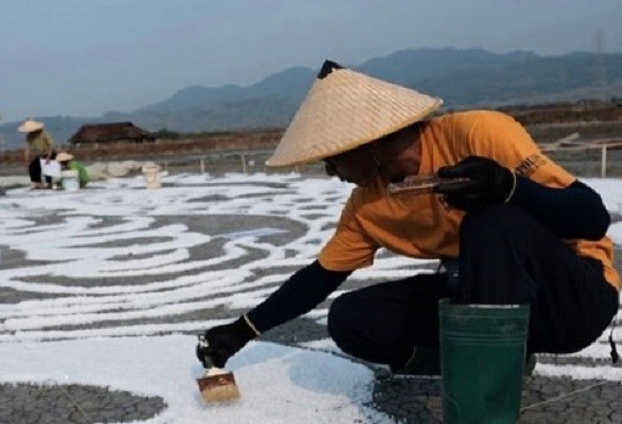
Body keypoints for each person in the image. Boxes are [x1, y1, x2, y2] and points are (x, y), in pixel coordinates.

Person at [196, 60, 619, 378]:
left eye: (332, 159)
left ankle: (487, 388)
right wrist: (242, 330)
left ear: (365, 142)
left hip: (570, 300)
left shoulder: (476, 133)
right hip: (485, 300)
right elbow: (318, 278)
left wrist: (508, 187)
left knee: (490, 223)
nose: (331, 172)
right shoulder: (367, 204)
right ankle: (500, 359)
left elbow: (591, 218)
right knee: (351, 319)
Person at [18, 119, 56, 189]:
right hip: (40, 155)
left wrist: (49, 156)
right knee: (32, 166)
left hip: (49, 153)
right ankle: (37, 183)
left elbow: (51, 145)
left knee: (46, 167)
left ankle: (49, 183)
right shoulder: (29, 136)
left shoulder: (44, 134)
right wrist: (26, 160)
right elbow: (27, 148)